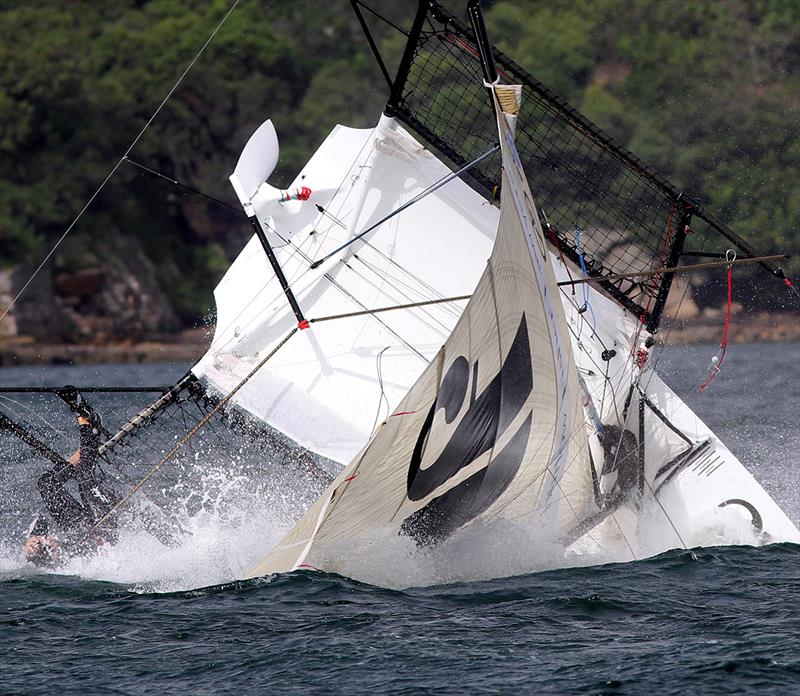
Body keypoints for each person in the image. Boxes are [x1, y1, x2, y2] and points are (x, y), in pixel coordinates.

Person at [24, 411, 121, 566]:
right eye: (47, 546)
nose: (46, 540)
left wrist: (33, 538)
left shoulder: (42, 543)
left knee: (46, 483)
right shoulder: (76, 563)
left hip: (78, 525)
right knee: (84, 477)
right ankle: (88, 430)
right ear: (54, 557)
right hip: (102, 523)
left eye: (43, 541)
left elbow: (40, 520)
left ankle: (87, 446)